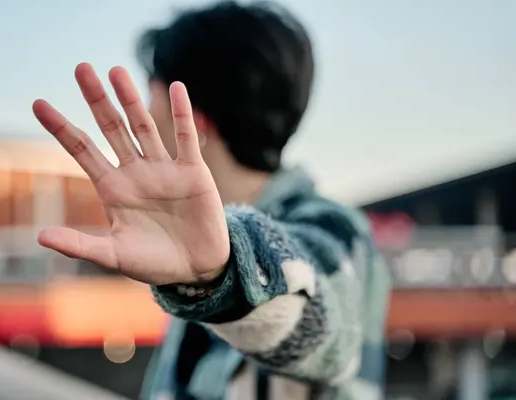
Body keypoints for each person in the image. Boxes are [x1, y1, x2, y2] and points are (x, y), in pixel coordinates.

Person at [31, 1, 391, 399]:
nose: (148, 115)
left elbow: (327, 326)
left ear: (193, 115)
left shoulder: (335, 227)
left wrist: (224, 275)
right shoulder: (193, 239)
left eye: (153, 94)